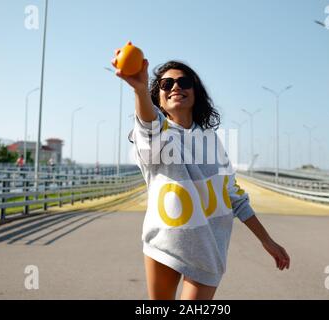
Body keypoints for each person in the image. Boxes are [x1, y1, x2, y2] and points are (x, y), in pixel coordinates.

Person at [111, 43, 290, 300]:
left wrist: (267, 240)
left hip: (209, 247)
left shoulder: (211, 140)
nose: (175, 87)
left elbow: (234, 196)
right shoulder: (157, 133)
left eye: (184, 82)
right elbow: (148, 129)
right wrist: (139, 90)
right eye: (166, 84)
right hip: (164, 244)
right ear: (158, 98)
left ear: (196, 93)